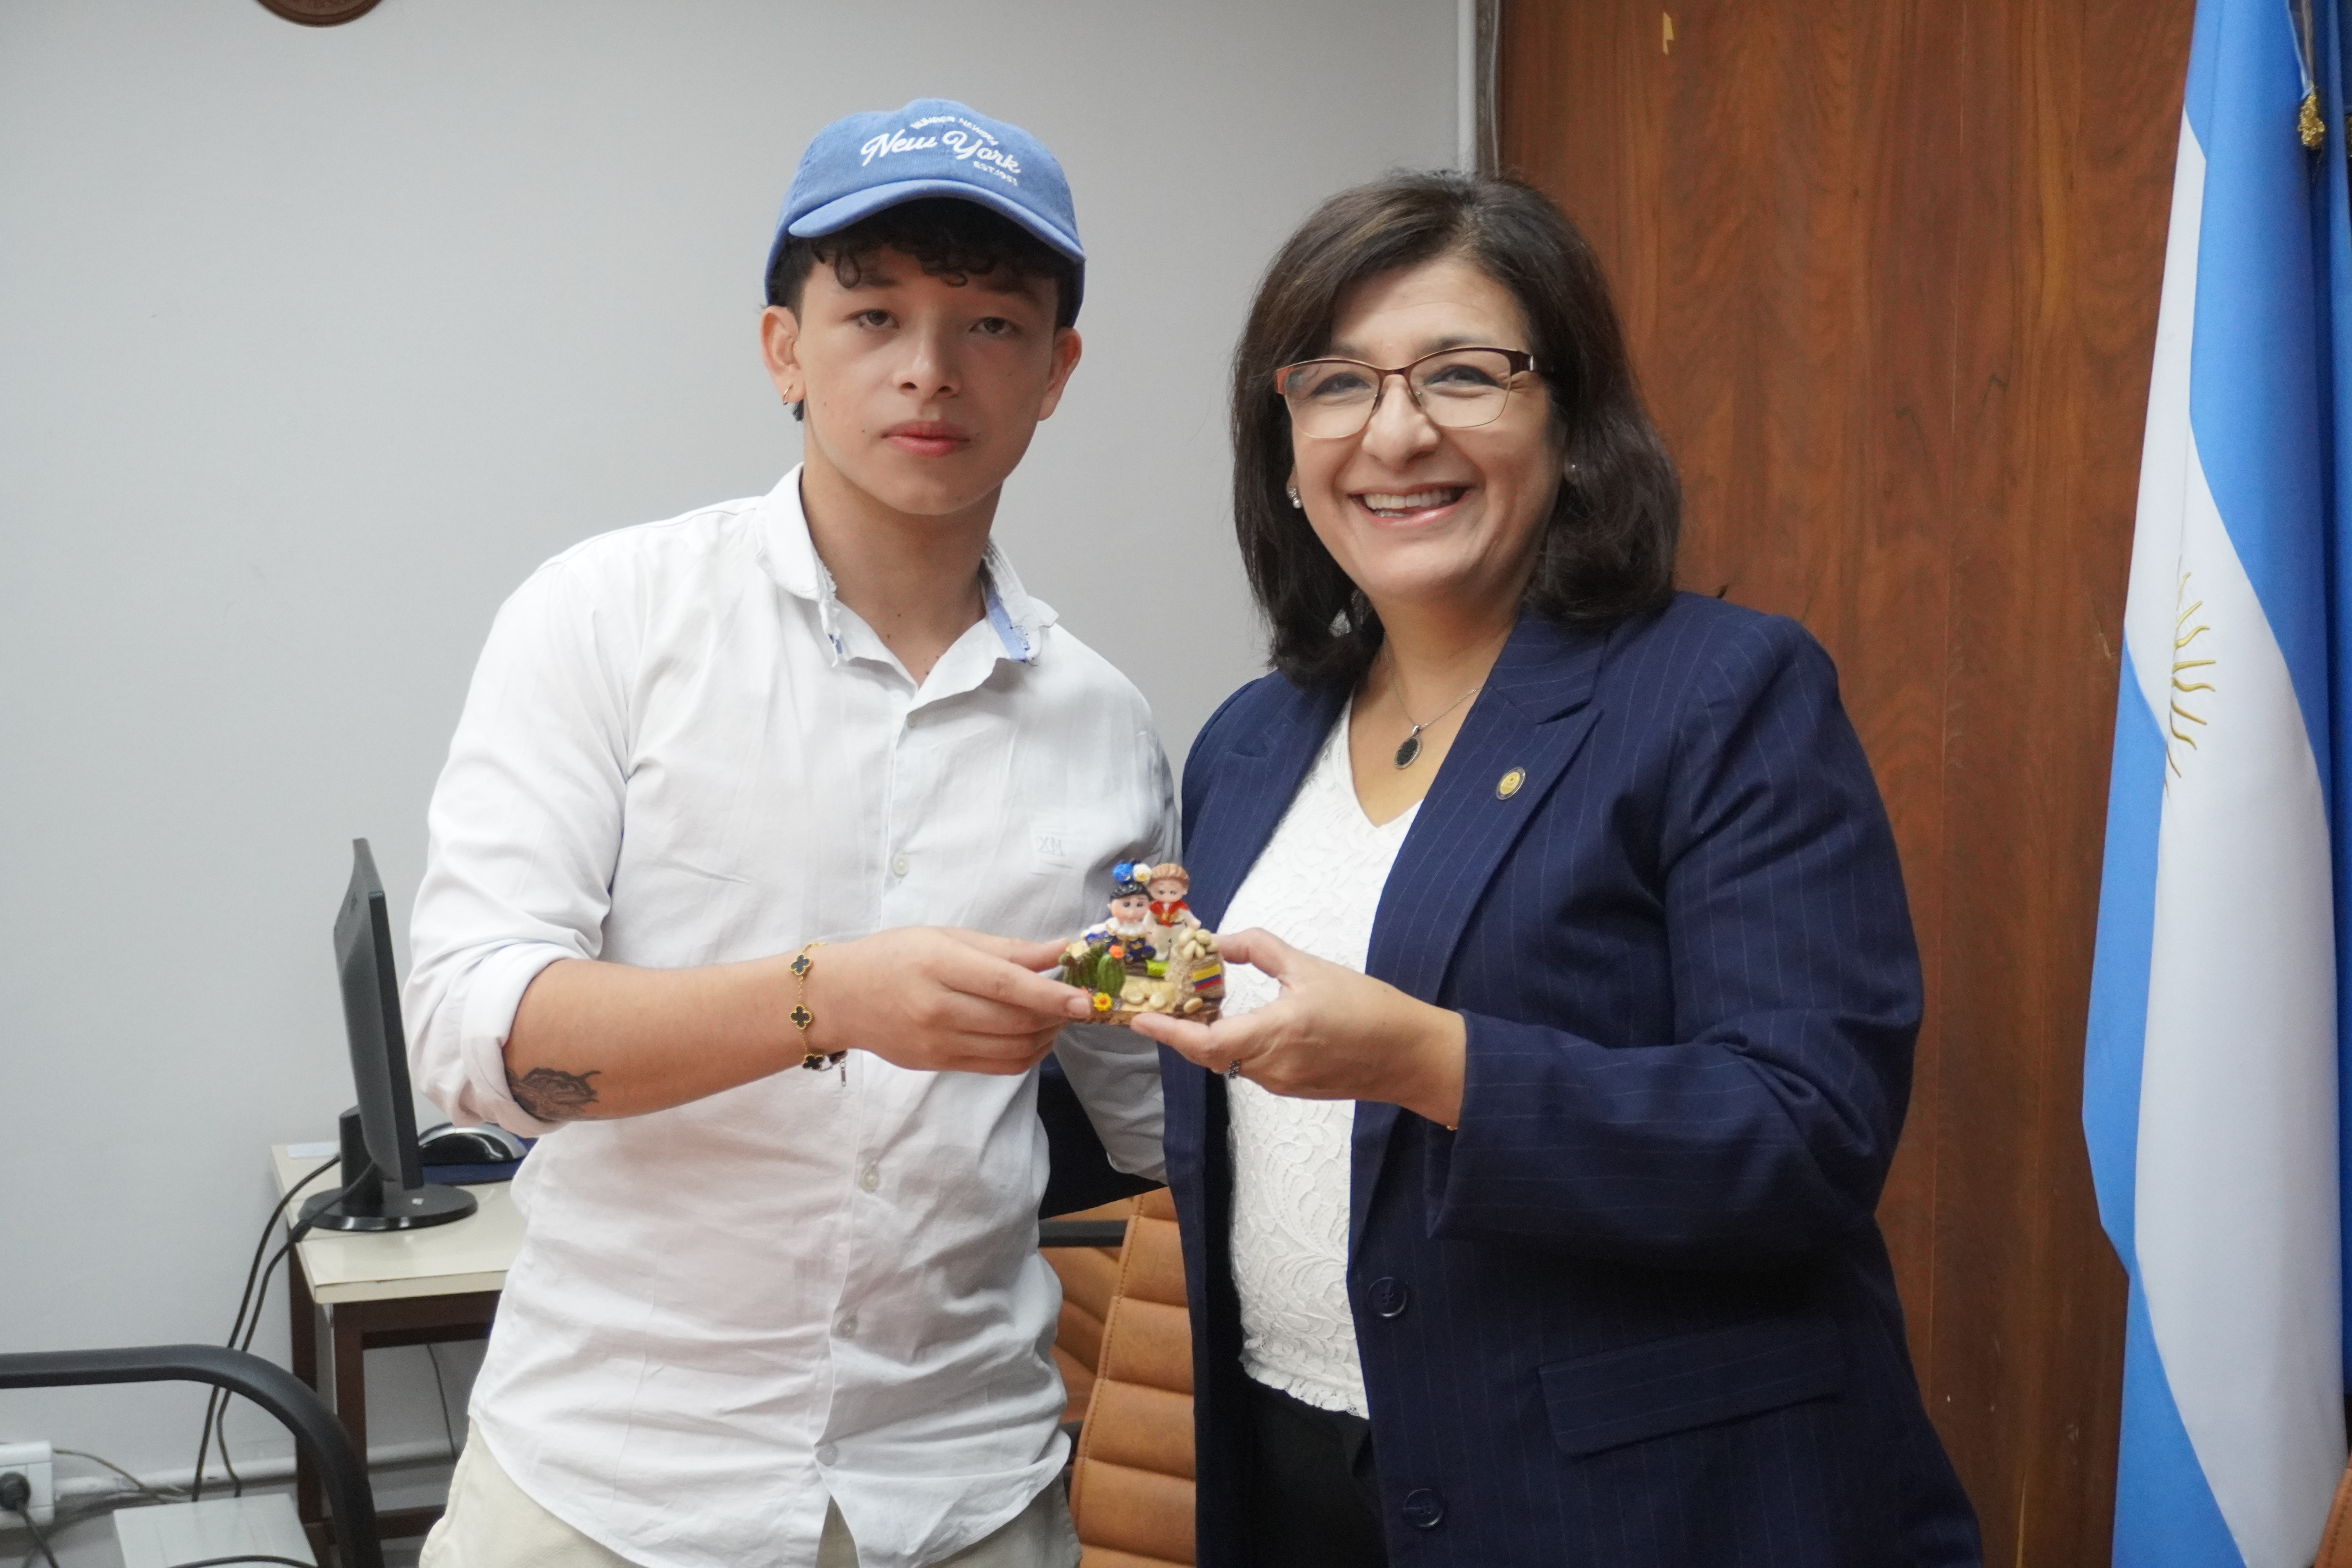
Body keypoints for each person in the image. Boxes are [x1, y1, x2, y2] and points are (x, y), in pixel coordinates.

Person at [1130, 172, 1983, 1566]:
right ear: (1284, 445)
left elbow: (1805, 1132)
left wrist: (1428, 1060)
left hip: (1638, 1505)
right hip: (1296, 1476)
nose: (1397, 431)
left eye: (1464, 374)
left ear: (1574, 426)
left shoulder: (1720, 692)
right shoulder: (1248, 738)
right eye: (1339, 382)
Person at [405, 99, 1172, 1568]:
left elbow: (1148, 1114)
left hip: (967, 1491)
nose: (929, 370)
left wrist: (1176, 976)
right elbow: (471, 1039)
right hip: (609, 1485)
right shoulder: (606, 616)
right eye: (874, 313)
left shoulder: (1104, 723)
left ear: (1058, 370)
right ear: (785, 350)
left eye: (993, 324)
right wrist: (838, 995)